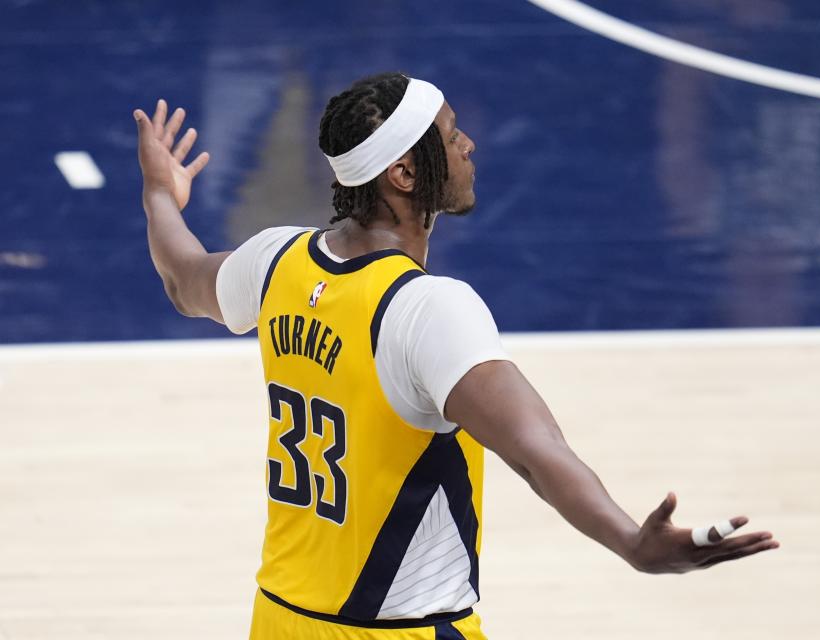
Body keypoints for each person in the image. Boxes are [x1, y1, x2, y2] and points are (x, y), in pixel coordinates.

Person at [134, 72, 778, 640]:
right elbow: (534, 450)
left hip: (279, 618)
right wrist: (630, 542)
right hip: (399, 629)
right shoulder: (426, 309)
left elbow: (183, 278)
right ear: (404, 174)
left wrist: (161, 194)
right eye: (450, 135)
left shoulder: (276, 261)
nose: (468, 145)